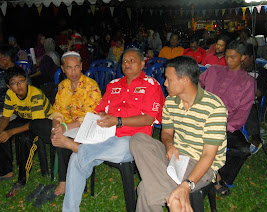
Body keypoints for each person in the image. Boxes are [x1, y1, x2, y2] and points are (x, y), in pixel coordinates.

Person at [52, 48, 165, 211]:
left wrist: (118, 121)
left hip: (134, 138)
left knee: (114, 147)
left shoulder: (151, 85)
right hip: (105, 135)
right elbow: (99, 110)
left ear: (142, 64)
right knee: (75, 160)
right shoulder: (113, 85)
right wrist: (101, 118)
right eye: (124, 61)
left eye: (132, 60)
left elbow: (149, 118)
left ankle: (79, 148)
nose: (127, 64)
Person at [130, 56, 227, 211]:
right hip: (176, 156)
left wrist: (186, 186)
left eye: (168, 79)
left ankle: (172, 199)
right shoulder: (170, 101)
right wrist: (169, 145)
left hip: (201, 163)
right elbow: (167, 133)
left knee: (145, 189)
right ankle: (172, 199)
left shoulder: (214, 107)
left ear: (185, 80)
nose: (165, 83)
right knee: (138, 139)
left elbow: (208, 155)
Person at [29, 51, 101, 196]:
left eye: (76, 67)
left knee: (64, 138)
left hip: (85, 126)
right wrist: (56, 126)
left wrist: (65, 127)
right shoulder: (63, 86)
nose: (73, 72)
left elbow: (91, 116)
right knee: (36, 124)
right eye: (69, 68)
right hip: (65, 126)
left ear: (81, 66)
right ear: (63, 69)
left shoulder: (91, 86)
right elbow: (58, 111)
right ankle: (58, 139)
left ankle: (64, 181)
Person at [0, 66, 53, 198]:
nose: (19, 86)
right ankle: (5, 172)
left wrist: (11, 132)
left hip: (42, 122)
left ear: (26, 80)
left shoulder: (35, 94)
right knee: (0, 134)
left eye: (21, 81)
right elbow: (6, 117)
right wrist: (0, 131)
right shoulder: (10, 95)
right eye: (14, 83)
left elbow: (35, 123)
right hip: (25, 119)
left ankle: (22, 180)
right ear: (8, 86)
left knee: (25, 139)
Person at [199, 40, 256, 196]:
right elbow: (195, 84)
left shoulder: (248, 82)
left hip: (225, 125)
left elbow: (243, 112)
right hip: (202, 119)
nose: (229, 60)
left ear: (243, 57)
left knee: (244, 149)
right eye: (227, 56)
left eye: (233, 57)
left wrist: (224, 129)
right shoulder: (213, 71)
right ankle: (209, 177)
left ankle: (220, 177)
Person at [242, 44, 267, 154]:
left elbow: (259, 92)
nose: (242, 61)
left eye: (245, 58)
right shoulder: (237, 69)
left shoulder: (261, 72)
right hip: (235, 99)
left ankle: (256, 139)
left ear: (252, 57)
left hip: (252, 102)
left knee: (250, 109)